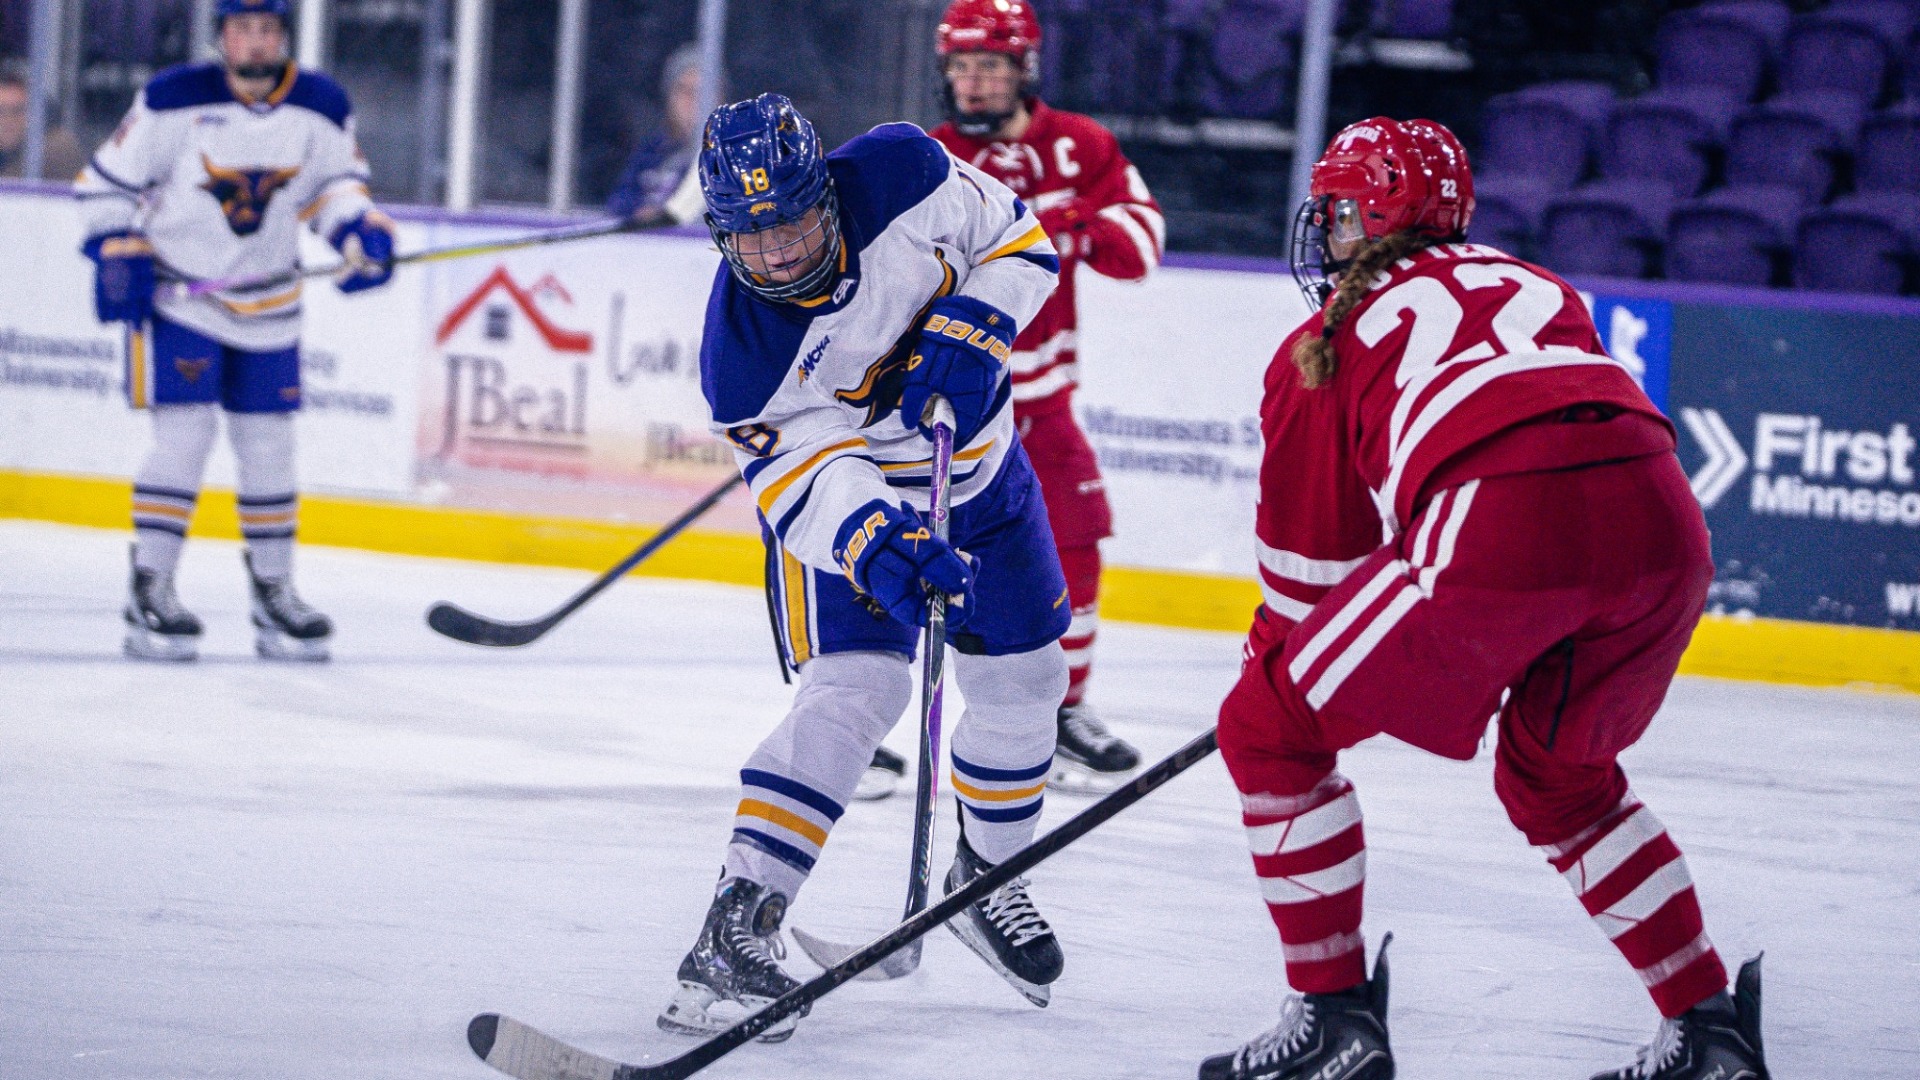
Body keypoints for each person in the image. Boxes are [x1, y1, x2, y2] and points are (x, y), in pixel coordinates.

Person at [1200, 117, 1769, 1080]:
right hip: (1665, 522)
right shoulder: (1535, 281)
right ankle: (1709, 1032)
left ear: (1374, 214)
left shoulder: (1325, 340)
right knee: (1561, 779)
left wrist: (1276, 674)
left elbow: (1312, 573)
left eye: (1339, 211)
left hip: (1503, 521)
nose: (1328, 232)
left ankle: (1333, 1018)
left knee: (1267, 730)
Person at [658, 93, 1070, 1041]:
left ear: (827, 195)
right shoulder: (742, 360)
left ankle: (988, 879)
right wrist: (878, 544)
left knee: (1028, 679)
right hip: (859, 507)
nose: (778, 251)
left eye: (793, 218)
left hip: (986, 473)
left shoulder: (905, 173)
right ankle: (738, 923)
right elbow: (802, 480)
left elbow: (1020, 238)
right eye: (749, 235)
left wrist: (979, 320)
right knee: (856, 691)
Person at [75, 0, 395, 662]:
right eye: (242, 29)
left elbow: (334, 187)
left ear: (284, 35)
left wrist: (357, 230)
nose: (255, 41)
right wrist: (115, 244)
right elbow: (104, 185)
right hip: (178, 297)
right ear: (222, 36)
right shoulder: (172, 99)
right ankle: (151, 585)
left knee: (271, 447)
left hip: (271, 302)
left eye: (268, 29)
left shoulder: (321, 104)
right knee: (184, 438)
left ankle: (274, 591)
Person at [927, 0, 1160, 793]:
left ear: (1024, 67)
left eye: (989, 67)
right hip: (951, 405)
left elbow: (1143, 246)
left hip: (1045, 401)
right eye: (960, 68)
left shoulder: (1078, 145)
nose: (973, 84)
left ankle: (1065, 713)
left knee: (1078, 536)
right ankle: (883, 711)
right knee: (914, 555)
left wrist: (1075, 221)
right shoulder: (929, 158)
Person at [605, 43, 704, 225]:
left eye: (701, 92)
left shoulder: (731, 159)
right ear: (669, 97)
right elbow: (618, 202)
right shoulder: (651, 151)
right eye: (684, 91)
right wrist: (636, 213)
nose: (692, 102)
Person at [0, 69, 87, 180]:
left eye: (17, 111)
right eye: (0, 111)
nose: (7, 120)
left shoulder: (56, 150)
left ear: (36, 113)